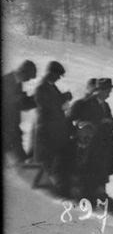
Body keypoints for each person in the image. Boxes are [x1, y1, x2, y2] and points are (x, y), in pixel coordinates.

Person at [68, 77, 113, 203]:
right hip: (88, 148)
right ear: (99, 90)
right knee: (87, 178)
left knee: (99, 178)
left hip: (102, 149)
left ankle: (98, 198)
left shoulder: (105, 106)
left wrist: (107, 122)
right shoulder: (84, 104)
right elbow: (71, 121)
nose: (109, 93)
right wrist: (98, 123)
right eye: (107, 90)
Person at [31, 61, 72, 192]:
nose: (58, 78)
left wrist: (64, 99)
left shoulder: (52, 87)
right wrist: (63, 99)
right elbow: (48, 107)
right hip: (46, 136)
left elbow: (56, 103)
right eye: (57, 75)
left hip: (54, 136)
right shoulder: (41, 88)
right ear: (50, 73)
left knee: (52, 167)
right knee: (44, 167)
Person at [2, 60, 38, 162]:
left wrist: (35, 100)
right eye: (28, 77)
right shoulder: (6, 81)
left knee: (20, 161)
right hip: (7, 132)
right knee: (20, 161)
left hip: (13, 131)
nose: (28, 80)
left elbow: (20, 104)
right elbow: (17, 103)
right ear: (23, 72)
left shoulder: (17, 83)